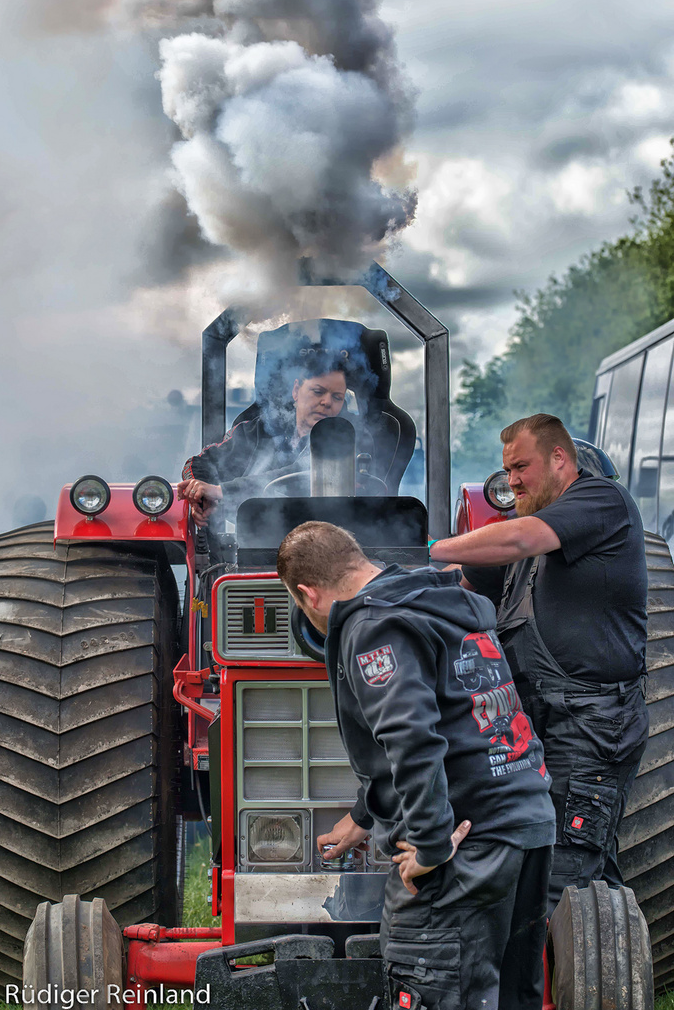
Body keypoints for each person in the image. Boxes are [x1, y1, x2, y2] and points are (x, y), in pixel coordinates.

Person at [277, 521, 555, 1010]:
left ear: (307, 595)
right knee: (510, 996)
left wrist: (428, 845)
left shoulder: (373, 626)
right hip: (524, 820)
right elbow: (460, 715)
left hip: (465, 843)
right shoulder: (436, 603)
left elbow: (412, 738)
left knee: (429, 982)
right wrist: (367, 814)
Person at [429, 413, 649, 910]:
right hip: (531, 726)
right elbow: (458, 589)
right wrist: (384, 582)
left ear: (559, 459)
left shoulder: (599, 501)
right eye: (506, 470)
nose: (511, 481)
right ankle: (593, 966)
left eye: (521, 467)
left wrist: (426, 548)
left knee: (563, 880)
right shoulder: (518, 538)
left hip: (591, 726)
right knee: (549, 862)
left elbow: (520, 538)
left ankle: (570, 981)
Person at [178, 353, 371, 525]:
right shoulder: (258, 429)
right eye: (318, 391)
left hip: (326, 539)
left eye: (337, 397)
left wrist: (223, 491)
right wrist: (202, 498)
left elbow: (305, 474)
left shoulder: (351, 435)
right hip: (251, 545)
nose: (327, 402)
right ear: (296, 390)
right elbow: (198, 464)